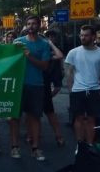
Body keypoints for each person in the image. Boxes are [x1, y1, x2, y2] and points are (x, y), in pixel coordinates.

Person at [11, 16, 51, 161]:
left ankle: (35, 148)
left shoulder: (44, 44)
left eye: (34, 23)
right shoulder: (18, 42)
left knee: (35, 117)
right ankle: (14, 147)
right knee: (15, 116)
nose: (31, 26)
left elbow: (44, 66)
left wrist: (29, 56)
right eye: (28, 23)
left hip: (36, 85)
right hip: (18, 85)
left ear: (39, 25)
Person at [65, 25, 100, 144]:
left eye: (86, 35)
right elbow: (69, 71)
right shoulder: (73, 52)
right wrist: (70, 89)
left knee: (91, 119)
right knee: (78, 118)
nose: (83, 37)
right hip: (77, 90)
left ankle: (90, 144)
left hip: (95, 89)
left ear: (93, 37)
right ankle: (80, 144)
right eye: (81, 35)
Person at [42, 30, 65, 146]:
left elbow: (60, 56)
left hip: (45, 83)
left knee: (50, 112)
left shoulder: (47, 52)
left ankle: (58, 136)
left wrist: (50, 43)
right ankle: (31, 135)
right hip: (33, 84)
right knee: (31, 113)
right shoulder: (30, 51)